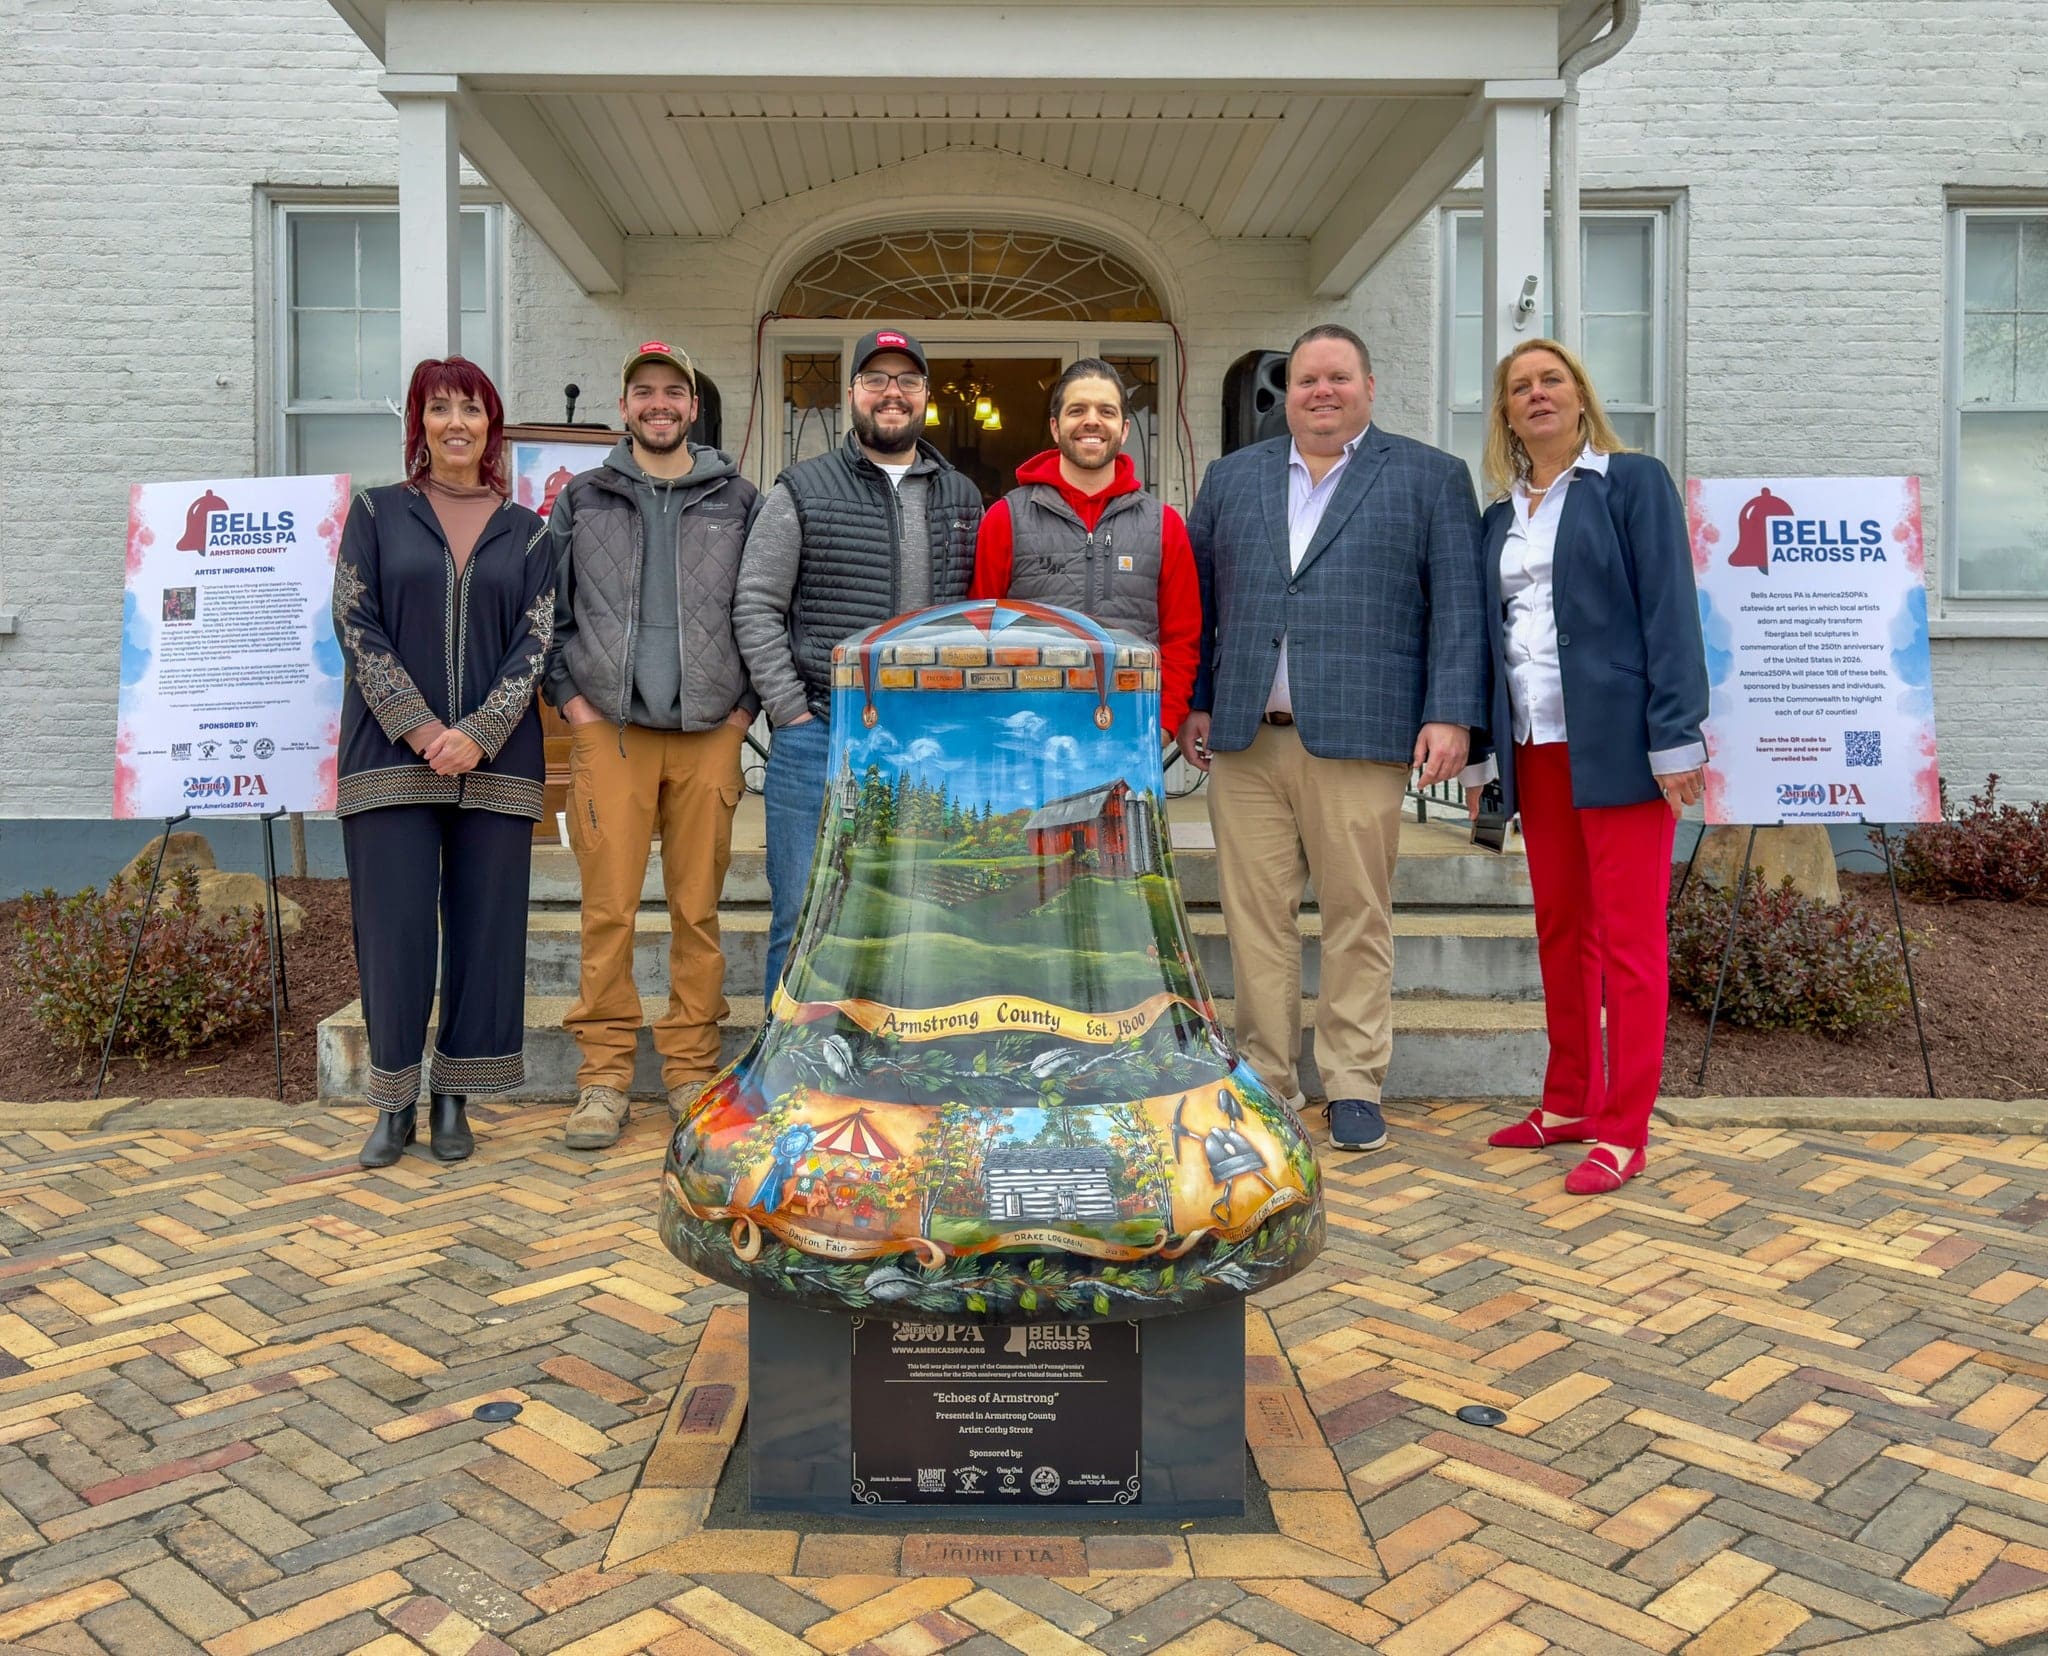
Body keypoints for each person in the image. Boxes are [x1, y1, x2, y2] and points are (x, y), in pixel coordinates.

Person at [1177, 324, 1485, 1155]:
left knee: (1357, 915)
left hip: (1360, 735)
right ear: (1288, 392)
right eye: (1307, 379)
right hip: (1245, 741)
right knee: (1255, 920)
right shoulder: (1232, 479)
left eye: (1338, 379)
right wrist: (1198, 700)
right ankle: (1268, 1082)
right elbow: (1201, 602)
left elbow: (1458, 606)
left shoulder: (1429, 477)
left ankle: (1352, 1081)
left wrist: (1451, 712)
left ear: (1369, 387)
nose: (1321, 392)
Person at [1463, 338, 1708, 1194]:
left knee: (1631, 941)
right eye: (1519, 387)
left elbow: (1670, 610)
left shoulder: (1630, 483)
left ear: (1578, 395)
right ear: (1505, 412)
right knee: (1562, 931)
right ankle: (1569, 1099)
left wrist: (1677, 738)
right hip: (1539, 746)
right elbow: (1492, 642)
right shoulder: (1499, 516)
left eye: (1551, 381)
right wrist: (1486, 751)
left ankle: (1625, 1128)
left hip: (1622, 747)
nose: (1535, 395)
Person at [332, 357, 553, 1168]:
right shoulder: (376, 513)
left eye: (472, 409)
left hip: (496, 765)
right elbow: (355, 622)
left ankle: (453, 1097)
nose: (456, 423)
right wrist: (425, 730)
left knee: (483, 931)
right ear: (419, 424)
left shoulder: (529, 531)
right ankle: (392, 1103)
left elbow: (538, 641)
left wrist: (481, 732)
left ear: (492, 426)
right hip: (390, 758)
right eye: (439, 408)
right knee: (394, 934)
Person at [543, 341, 762, 1149]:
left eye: (674, 391)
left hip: (710, 733)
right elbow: (550, 611)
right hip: (612, 732)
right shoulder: (585, 497)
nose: (660, 404)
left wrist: (742, 711)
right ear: (626, 404)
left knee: (698, 912)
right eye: (645, 392)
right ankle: (602, 1080)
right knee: (607, 912)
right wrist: (571, 702)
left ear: (692, 407)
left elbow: (762, 606)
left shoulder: (739, 499)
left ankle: (690, 1072)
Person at [734, 328, 982, 997]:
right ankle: (786, 1083)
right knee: (804, 915)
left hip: (923, 745)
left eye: (907, 380)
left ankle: (891, 1070)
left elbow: (978, 619)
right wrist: (788, 713)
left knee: (914, 916)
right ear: (852, 395)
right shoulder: (802, 490)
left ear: (927, 397)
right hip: (818, 733)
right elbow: (755, 606)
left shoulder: (962, 496)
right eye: (876, 380)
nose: (891, 393)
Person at [969, 358, 1198, 734]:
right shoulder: (1006, 518)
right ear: (1056, 427)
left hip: (1131, 726)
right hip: (1026, 730)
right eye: (1078, 410)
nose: (1092, 421)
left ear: (1123, 430)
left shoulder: (1164, 526)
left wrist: (1165, 725)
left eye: (1106, 411)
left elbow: (1182, 639)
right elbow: (981, 635)